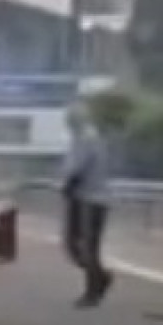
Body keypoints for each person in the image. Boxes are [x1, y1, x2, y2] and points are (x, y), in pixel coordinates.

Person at [59, 103, 113, 308]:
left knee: (88, 247)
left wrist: (68, 186)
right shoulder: (78, 138)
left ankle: (93, 290)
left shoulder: (87, 138)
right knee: (73, 246)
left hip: (91, 200)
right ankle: (100, 277)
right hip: (82, 198)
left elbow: (78, 168)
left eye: (71, 119)